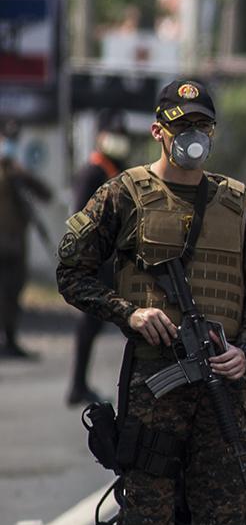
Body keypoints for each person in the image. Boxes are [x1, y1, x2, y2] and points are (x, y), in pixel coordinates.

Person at [56, 78, 246, 525]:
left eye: (203, 127)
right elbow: (70, 271)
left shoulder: (237, 201)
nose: (193, 139)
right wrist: (129, 313)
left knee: (223, 523)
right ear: (159, 130)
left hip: (223, 389)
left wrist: (245, 350)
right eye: (182, 127)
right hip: (156, 385)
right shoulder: (123, 195)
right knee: (146, 524)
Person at [65, 114, 133, 404]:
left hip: (115, 261)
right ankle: (78, 386)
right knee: (93, 323)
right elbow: (81, 216)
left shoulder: (118, 169)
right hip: (98, 260)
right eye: (112, 133)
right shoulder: (94, 171)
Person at [0, 117, 56, 359]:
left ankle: (10, 340)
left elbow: (46, 194)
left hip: (14, 246)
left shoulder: (17, 172)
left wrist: (20, 173)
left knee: (12, 293)